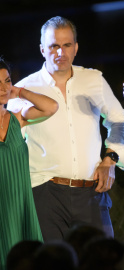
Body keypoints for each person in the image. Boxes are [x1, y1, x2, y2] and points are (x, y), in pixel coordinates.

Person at [8, 16, 124, 241]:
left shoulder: (93, 79)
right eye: (54, 45)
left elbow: (119, 120)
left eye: (66, 45)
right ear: (42, 49)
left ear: (75, 48)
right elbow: (9, 143)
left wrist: (110, 160)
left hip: (92, 191)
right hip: (45, 194)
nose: (60, 52)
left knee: (103, 260)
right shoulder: (24, 88)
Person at [0, 58, 58, 269]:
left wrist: (20, 92)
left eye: (6, 81)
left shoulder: (17, 118)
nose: (3, 88)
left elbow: (51, 107)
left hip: (21, 205)